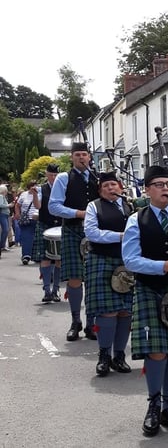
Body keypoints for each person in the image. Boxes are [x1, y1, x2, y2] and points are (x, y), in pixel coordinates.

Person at [122, 165, 168, 437]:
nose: (165, 188)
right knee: (156, 351)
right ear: (147, 189)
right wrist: (162, 266)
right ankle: (153, 405)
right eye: (159, 184)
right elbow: (130, 260)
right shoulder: (135, 220)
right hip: (150, 289)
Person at [84, 171, 134, 376]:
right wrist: (120, 236)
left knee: (125, 312)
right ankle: (104, 355)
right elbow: (91, 233)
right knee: (107, 311)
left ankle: (119, 356)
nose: (111, 188)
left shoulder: (130, 206)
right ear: (100, 190)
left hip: (128, 261)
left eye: (114, 185)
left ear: (120, 187)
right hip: (102, 260)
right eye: (106, 186)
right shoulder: (93, 207)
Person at [49, 141, 99, 341]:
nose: (81, 157)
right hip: (72, 230)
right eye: (77, 154)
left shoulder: (98, 178)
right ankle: (75, 321)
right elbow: (54, 206)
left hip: (95, 232)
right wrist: (79, 213)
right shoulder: (63, 178)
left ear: (89, 157)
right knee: (75, 278)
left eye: (84, 154)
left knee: (95, 279)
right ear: (71, 157)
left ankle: (91, 323)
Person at [32, 164, 63, 302]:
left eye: (56, 175)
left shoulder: (64, 188)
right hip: (45, 225)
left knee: (59, 259)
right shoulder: (41, 189)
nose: (53, 177)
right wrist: (34, 195)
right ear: (46, 175)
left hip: (60, 226)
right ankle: (46, 290)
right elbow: (38, 206)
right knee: (45, 258)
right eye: (51, 175)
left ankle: (56, 290)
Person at [15, 180, 39, 265]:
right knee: (26, 238)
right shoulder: (23, 195)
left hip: (37, 218)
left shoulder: (40, 194)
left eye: (35, 186)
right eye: (32, 186)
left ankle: (36, 255)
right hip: (26, 219)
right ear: (29, 187)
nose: (34, 188)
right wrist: (17, 214)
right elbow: (18, 205)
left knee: (37, 238)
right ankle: (26, 256)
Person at [0, 184, 10, 255]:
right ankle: (2, 245)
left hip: (5, 214)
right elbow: (0, 205)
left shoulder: (3, 197)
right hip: (3, 214)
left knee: (6, 230)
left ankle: (2, 245)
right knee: (5, 230)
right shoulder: (1, 196)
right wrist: (8, 205)